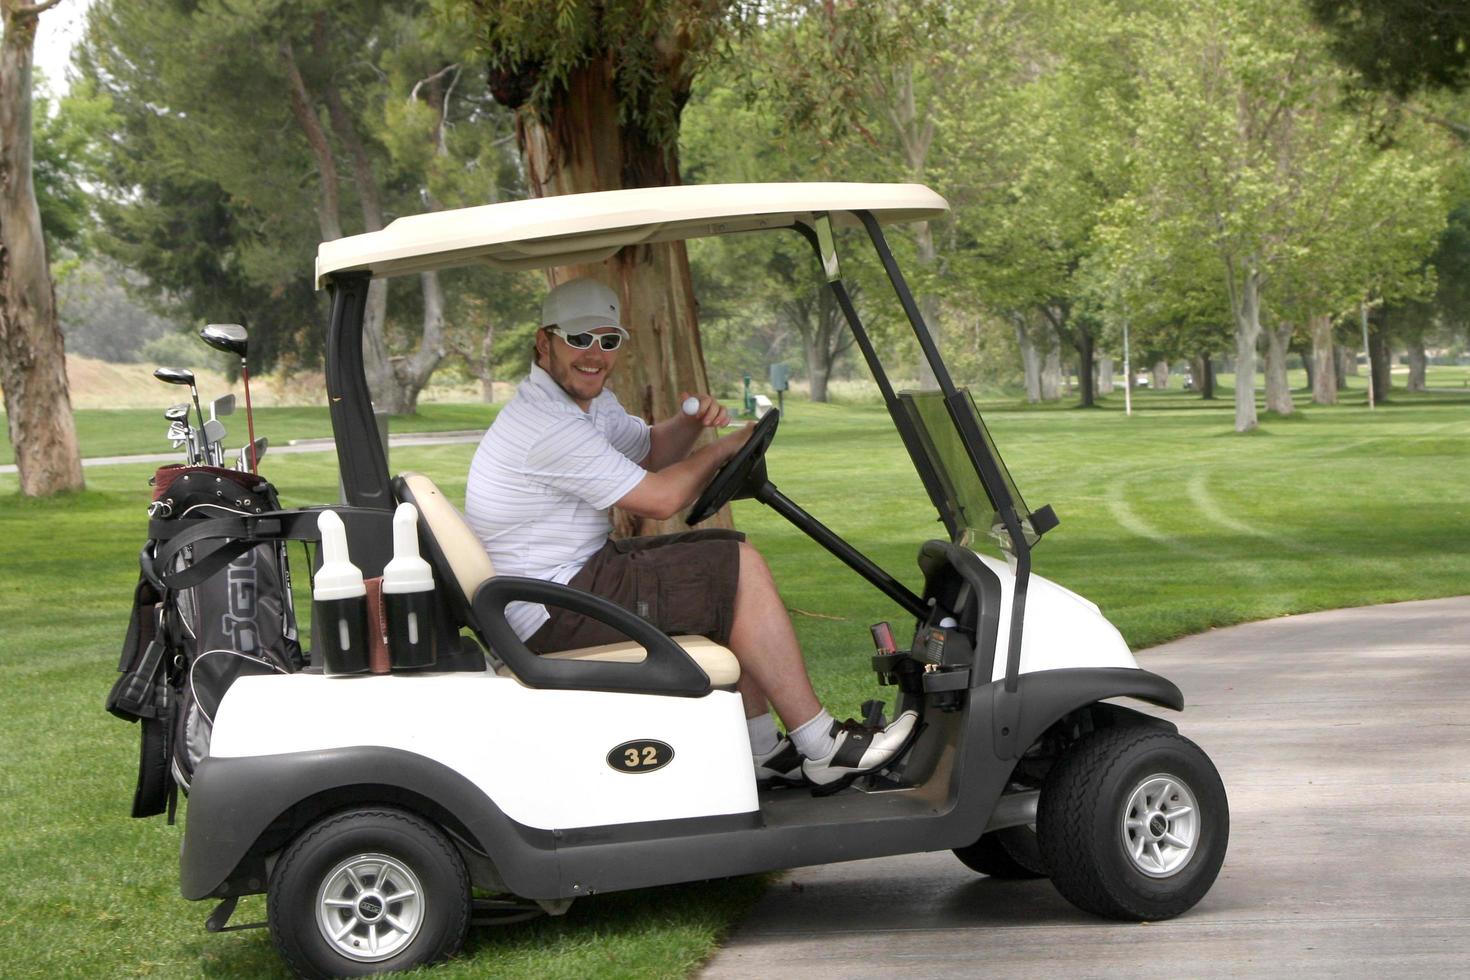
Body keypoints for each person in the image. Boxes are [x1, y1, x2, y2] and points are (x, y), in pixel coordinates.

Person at [465, 278, 916, 788]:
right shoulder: (548, 426)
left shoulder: (585, 403)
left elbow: (651, 450)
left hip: (564, 587)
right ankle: (822, 746)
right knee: (737, 569)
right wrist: (724, 449)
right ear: (544, 342)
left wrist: (695, 423)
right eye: (579, 339)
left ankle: (762, 749)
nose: (595, 355)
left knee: (723, 558)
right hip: (550, 609)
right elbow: (661, 498)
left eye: (608, 341)